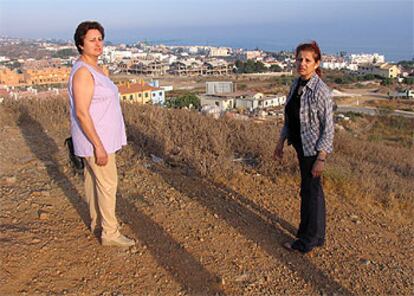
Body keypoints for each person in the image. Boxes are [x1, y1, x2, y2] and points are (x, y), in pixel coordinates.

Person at [68, 21, 135, 247]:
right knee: (107, 185)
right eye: (91, 40)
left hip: (99, 139)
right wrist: (98, 145)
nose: (98, 44)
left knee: (93, 183)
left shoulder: (96, 68)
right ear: (80, 44)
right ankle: (111, 233)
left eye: (100, 39)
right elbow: (81, 112)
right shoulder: (83, 74)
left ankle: (97, 224)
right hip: (97, 141)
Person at [274, 41, 334, 254]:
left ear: (316, 63)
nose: (302, 63)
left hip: (313, 151)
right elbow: (289, 118)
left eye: (308, 60)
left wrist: (321, 158)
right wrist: (280, 142)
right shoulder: (297, 85)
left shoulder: (320, 91)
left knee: (311, 192)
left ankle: (306, 241)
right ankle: (314, 235)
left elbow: (328, 128)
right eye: (299, 59)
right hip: (300, 146)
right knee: (311, 191)